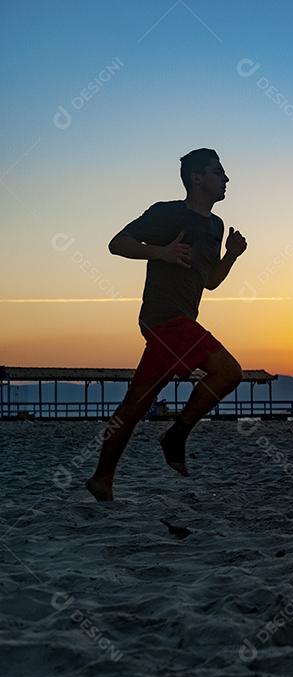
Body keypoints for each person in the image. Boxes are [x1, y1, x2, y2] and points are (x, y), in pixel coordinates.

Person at [85, 148, 247, 501]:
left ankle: (102, 478)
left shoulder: (215, 226)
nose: (227, 179)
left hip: (181, 322)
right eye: (219, 172)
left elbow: (210, 282)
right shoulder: (167, 213)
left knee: (137, 403)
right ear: (197, 178)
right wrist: (161, 252)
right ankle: (176, 435)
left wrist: (232, 255)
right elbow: (118, 243)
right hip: (163, 318)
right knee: (229, 372)